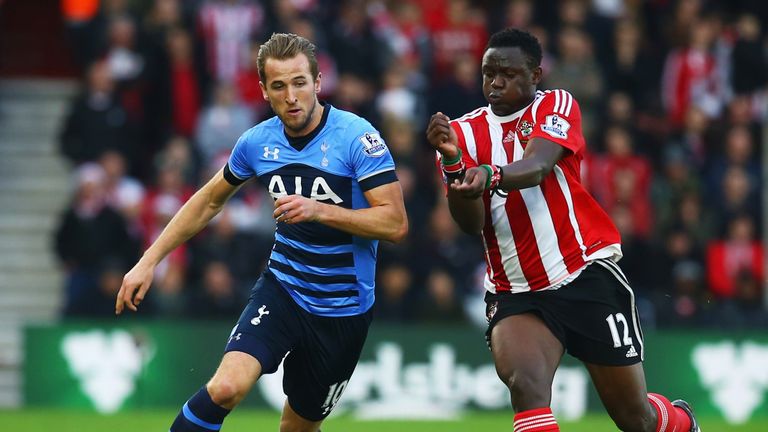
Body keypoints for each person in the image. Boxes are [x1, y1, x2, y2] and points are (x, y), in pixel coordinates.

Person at [116, 32, 408, 432]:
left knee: (296, 429)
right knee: (225, 388)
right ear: (264, 92)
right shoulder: (257, 142)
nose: (291, 96)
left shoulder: (358, 138)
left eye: (300, 83)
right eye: (279, 86)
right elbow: (208, 201)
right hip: (283, 289)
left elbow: (394, 223)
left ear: (318, 83)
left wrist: (320, 211)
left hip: (343, 311)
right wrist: (147, 261)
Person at [426, 28, 700, 432]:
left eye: (508, 73)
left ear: (535, 75)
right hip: (515, 290)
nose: (496, 82)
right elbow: (471, 224)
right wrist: (453, 165)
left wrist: (489, 173)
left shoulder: (555, 105)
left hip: (583, 271)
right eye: (488, 72)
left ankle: (678, 422)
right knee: (526, 388)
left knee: (633, 417)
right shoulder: (461, 134)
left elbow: (537, 167)